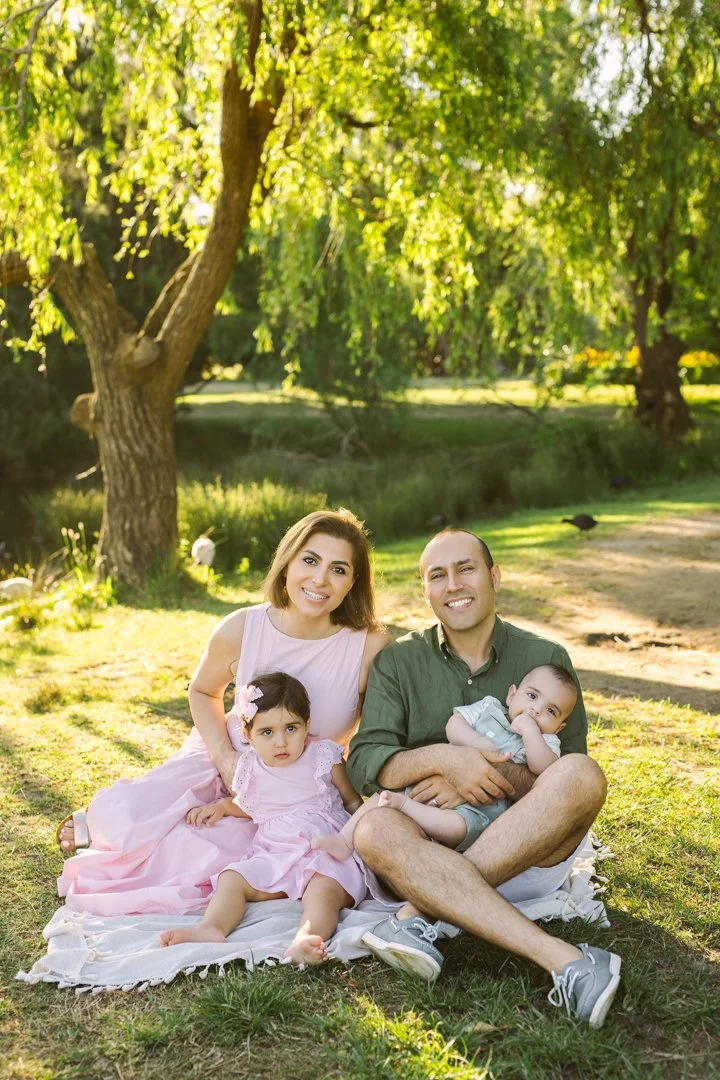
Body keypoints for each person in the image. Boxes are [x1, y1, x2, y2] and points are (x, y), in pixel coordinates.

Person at [345, 528, 622, 1029]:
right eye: (437, 575)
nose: (454, 584)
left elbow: (564, 779)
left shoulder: (546, 658)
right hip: (427, 841)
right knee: (373, 828)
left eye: (466, 568)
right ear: (425, 589)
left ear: (494, 576)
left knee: (583, 774)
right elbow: (366, 760)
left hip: (521, 848)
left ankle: (422, 915)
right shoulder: (397, 661)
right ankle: (565, 960)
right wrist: (445, 760)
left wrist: (484, 773)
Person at [56, 508, 390, 916]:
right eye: (310, 560)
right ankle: (103, 822)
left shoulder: (367, 645)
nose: (320, 579)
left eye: (338, 569)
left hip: (296, 787)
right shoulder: (244, 627)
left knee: (202, 849)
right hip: (229, 751)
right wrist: (225, 757)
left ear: (353, 582)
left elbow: (376, 733)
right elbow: (201, 691)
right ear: (287, 564)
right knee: (128, 819)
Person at [160, 672, 367, 966]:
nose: (280, 742)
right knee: (232, 877)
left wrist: (362, 833)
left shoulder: (323, 755)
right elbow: (253, 806)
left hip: (323, 847)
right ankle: (212, 927)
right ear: (248, 735)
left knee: (325, 889)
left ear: (306, 725)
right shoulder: (250, 768)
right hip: (276, 851)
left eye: (291, 728)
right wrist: (222, 807)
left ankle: (306, 937)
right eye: (267, 732)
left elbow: (351, 800)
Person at [312, 663, 577, 860]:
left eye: (550, 711)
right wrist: (474, 744)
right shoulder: (488, 709)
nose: (536, 710)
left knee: (458, 826)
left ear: (559, 726)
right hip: (435, 779)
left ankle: (407, 810)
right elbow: (454, 724)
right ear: (511, 695)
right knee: (381, 798)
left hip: (481, 809)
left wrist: (531, 732)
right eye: (532, 696)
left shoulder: (546, 742)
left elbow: (547, 772)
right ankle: (344, 841)